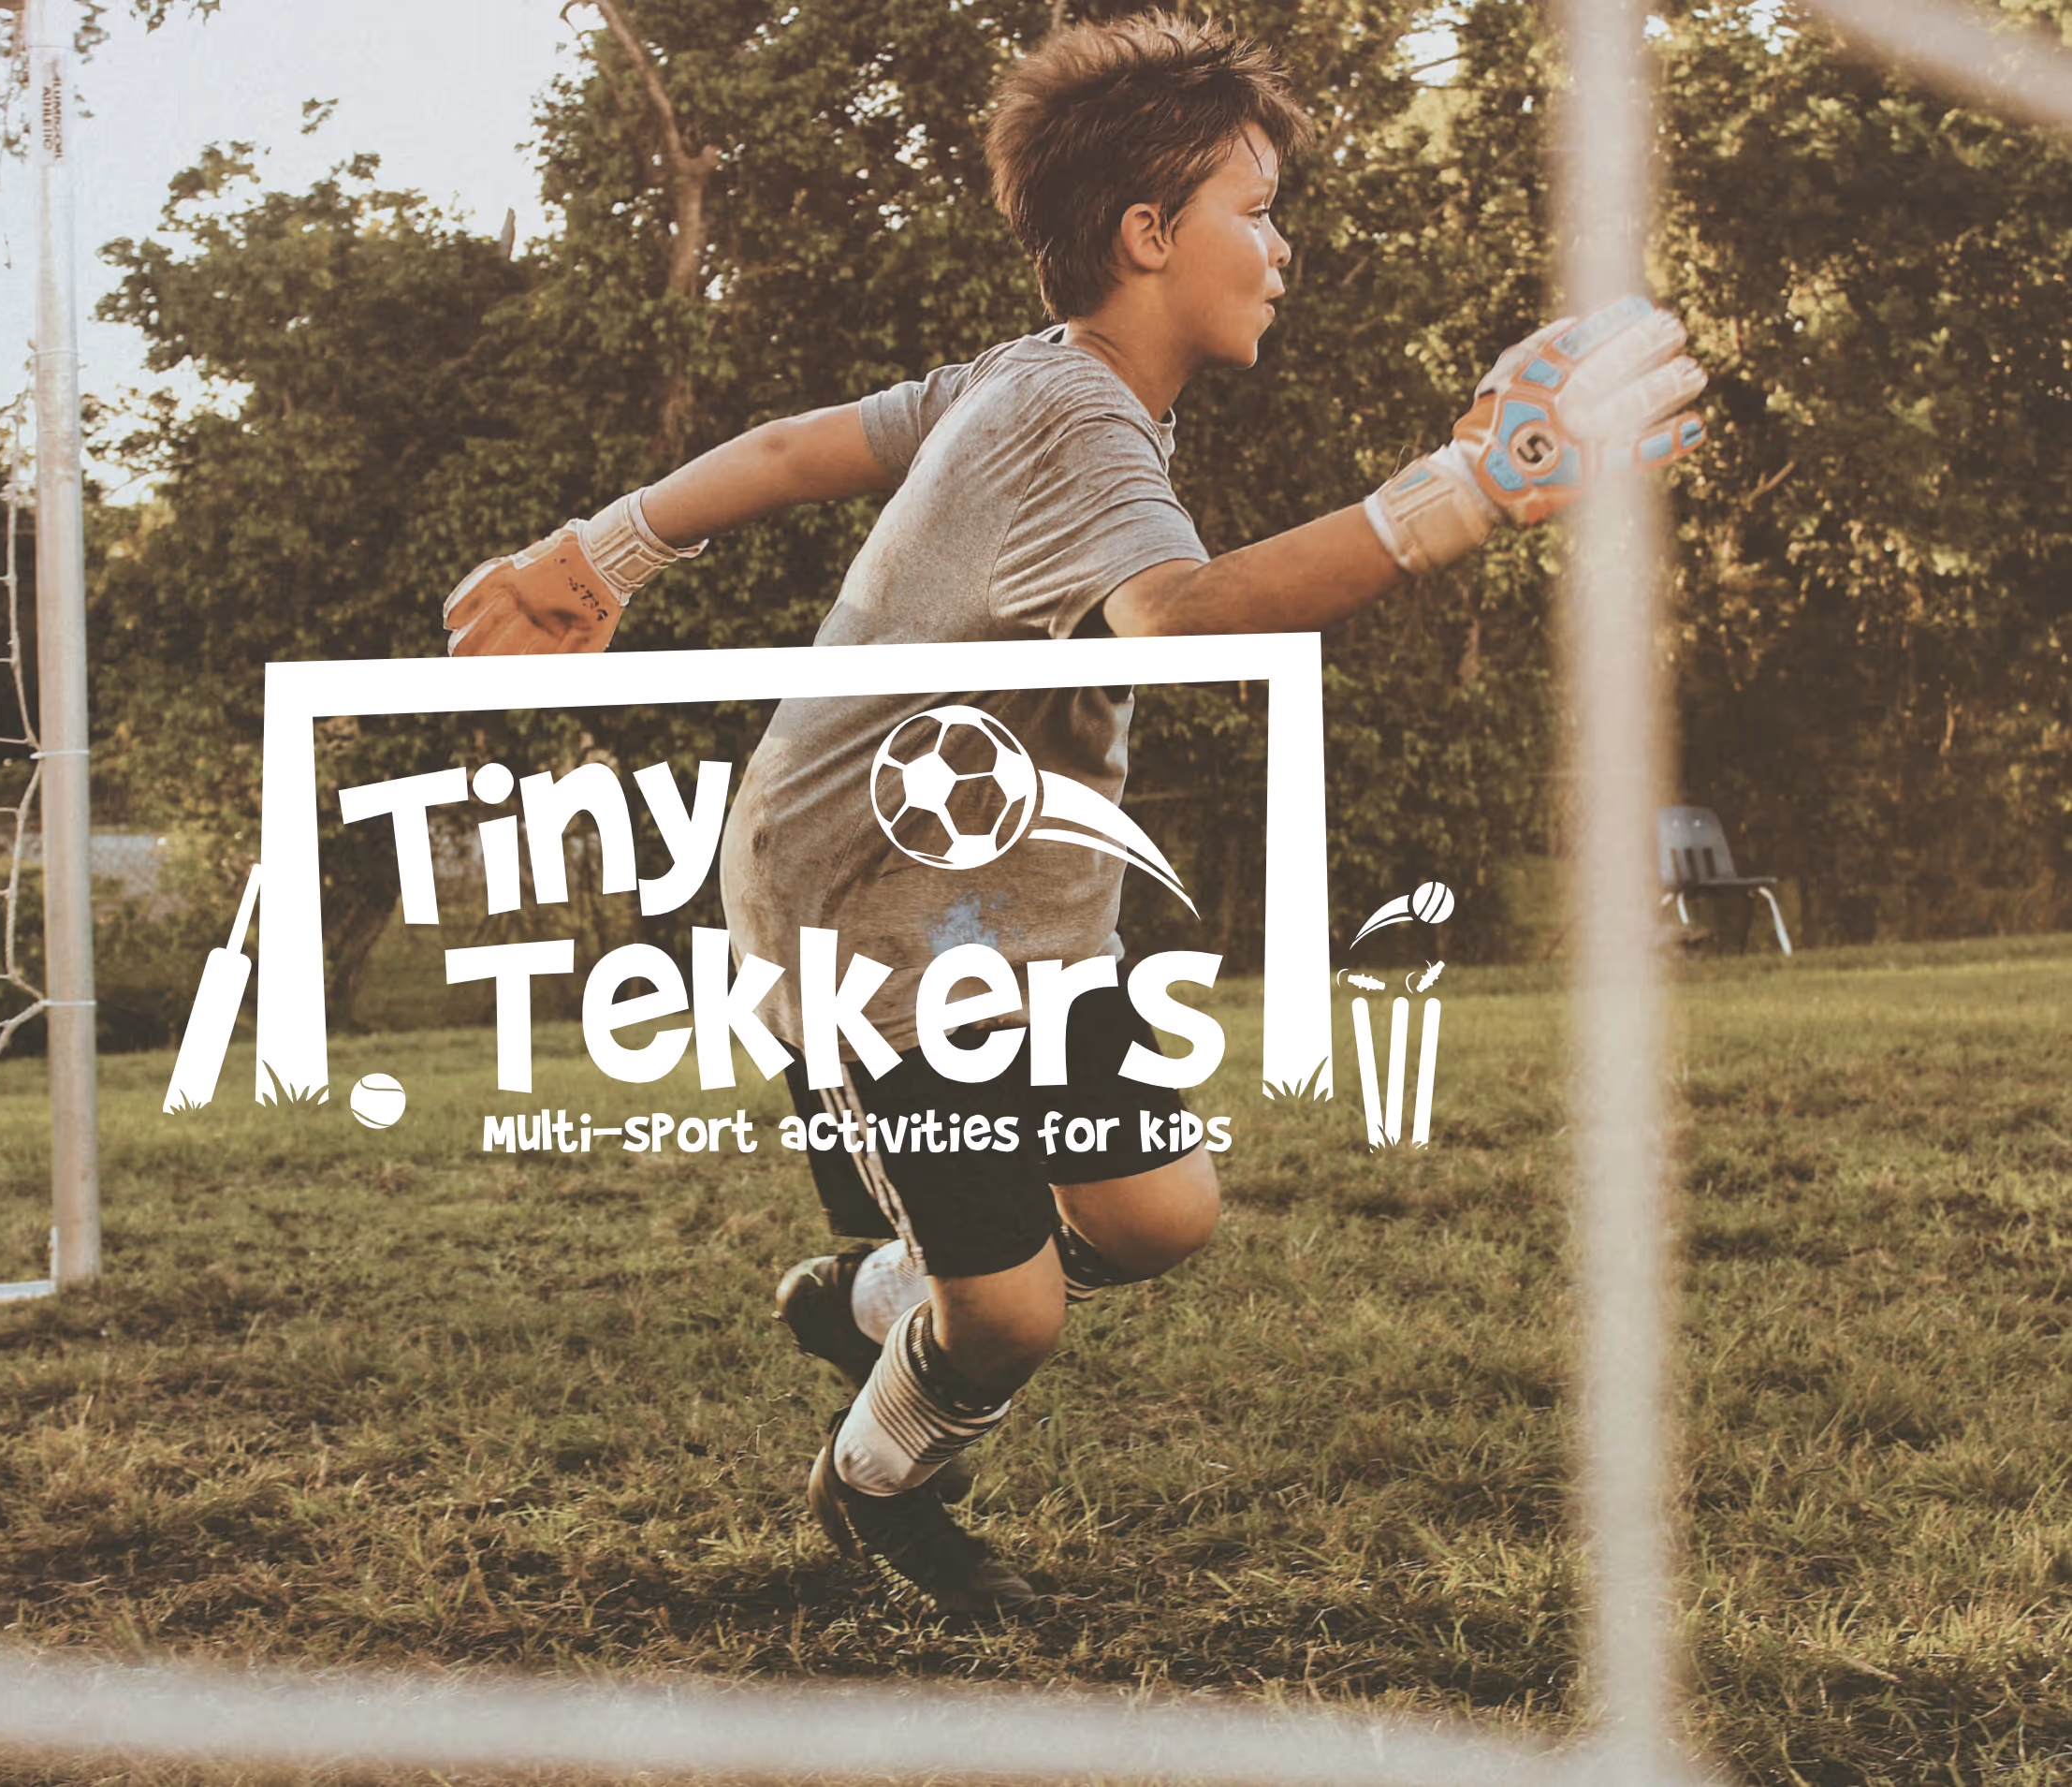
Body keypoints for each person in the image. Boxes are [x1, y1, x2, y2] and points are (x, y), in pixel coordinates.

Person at [443, 9, 1705, 1617]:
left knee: (1163, 1214)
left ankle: (890, 1286)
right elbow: (1178, 620)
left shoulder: (1022, 380)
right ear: (1147, 233)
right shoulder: (1073, 417)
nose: (1283, 248)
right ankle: (881, 1475)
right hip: (871, 936)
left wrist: (601, 551)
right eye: (1257, 211)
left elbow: (786, 449)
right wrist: (1459, 491)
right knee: (1017, 1315)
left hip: (1013, 920)